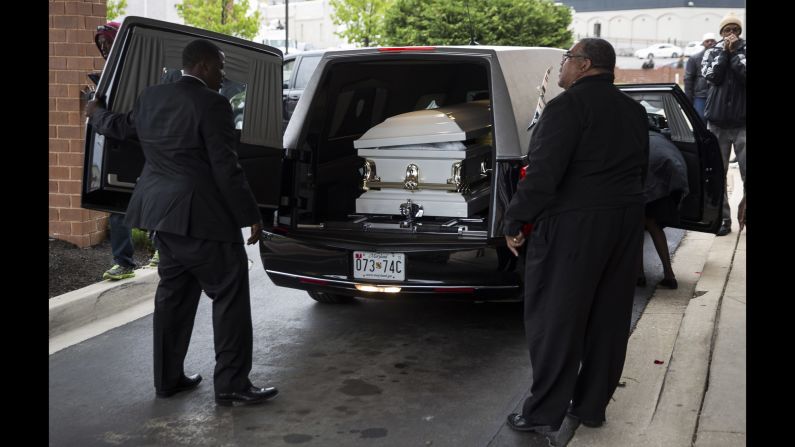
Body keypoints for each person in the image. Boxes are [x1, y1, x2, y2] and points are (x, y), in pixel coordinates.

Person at [85, 39, 278, 406]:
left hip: (161, 217)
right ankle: (232, 385)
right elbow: (226, 166)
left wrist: (94, 111)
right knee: (230, 293)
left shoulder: (151, 97)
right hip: (202, 219)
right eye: (220, 67)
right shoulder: (213, 104)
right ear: (203, 66)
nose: (224, 75)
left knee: (174, 298)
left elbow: (119, 127)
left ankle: (168, 379)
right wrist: (250, 214)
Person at [502, 38, 648, 437]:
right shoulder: (634, 110)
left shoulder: (565, 107)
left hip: (574, 226)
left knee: (556, 318)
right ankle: (591, 405)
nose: (562, 67)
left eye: (566, 60)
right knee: (608, 317)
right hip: (624, 223)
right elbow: (640, 168)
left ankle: (541, 413)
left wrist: (515, 220)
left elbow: (545, 174)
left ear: (583, 64)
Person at [93, 21, 138, 280]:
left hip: (138, 144)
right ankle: (124, 262)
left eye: (108, 42)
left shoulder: (136, 69)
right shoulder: (108, 73)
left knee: (152, 201)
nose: (103, 48)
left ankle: (160, 251)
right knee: (117, 203)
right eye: (100, 44)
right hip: (115, 144)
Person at [701, 12, 745, 236]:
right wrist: (725, 54)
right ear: (721, 33)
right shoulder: (711, 52)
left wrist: (736, 52)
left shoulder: (744, 50)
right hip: (717, 123)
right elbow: (713, 76)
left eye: (735, 30)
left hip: (742, 124)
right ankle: (723, 220)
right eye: (727, 30)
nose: (731, 34)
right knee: (719, 173)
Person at [637, 122, 690, 290]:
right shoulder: (662, 138)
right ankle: (669, 274)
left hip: (649, 179)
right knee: (653, 224)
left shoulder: (637, 139)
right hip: (669, 180)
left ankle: (639, 275)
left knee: (638, 224)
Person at [684, 32, 717, 121]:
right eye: (707, 41)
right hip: (701, 96)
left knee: (716, 121)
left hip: (717, 95)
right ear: (703, 43)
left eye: (712, 40)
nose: (710, 42)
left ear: (716, 42)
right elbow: (688, 79)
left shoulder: (721, 57)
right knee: (700, 119)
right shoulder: (694, 58)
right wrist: (688, 99)